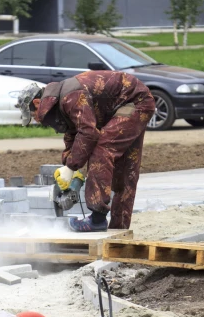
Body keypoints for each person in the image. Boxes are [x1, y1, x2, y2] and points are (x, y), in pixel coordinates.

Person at [16, 70, 155, 232]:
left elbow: (88, 132)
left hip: (135, 103)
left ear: (38, 103)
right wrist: (69, 167)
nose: (37, 120)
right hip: (123, 106)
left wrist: (71, 167)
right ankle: (119, 230)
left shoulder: (70, 96)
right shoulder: (61, 101)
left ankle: (97, 220)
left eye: (34, 115)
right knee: (125, 171)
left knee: (102, 149)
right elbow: (73, 134)